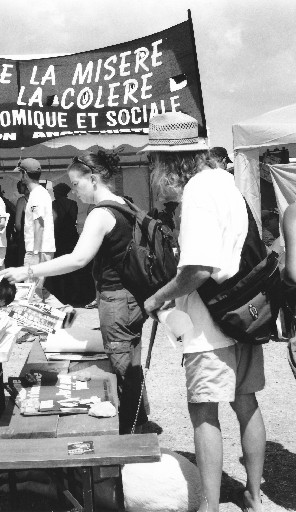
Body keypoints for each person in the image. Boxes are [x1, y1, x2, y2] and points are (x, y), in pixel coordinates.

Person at [142, 112, 265, 512]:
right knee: (246, 403)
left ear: (168, 160)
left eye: (155, 160)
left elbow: (196, 269)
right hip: (243, 309)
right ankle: (254, 495)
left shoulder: (196, 192)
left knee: (204, 412)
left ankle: (209, 506)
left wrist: (158, 297)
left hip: (207, 321)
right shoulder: (226, 182)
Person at [0, 151, 148, 434]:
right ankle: (138, 425)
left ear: (92, 178)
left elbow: (78, 259)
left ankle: (129, 440)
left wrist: (29, 271)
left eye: (77, 184)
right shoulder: (124, 204)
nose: (75, 193)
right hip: (131, 297)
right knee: (132, 366)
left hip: (116, 300)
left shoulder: (100, 213)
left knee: (123, 371)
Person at [16, 158, 55, 300]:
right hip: (43, 248)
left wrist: (35, 253)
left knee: (31, 292)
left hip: (38, 249)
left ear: (24, 174)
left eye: (20, 173)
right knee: (37, 290)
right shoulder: (41, 193)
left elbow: (39, 224)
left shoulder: (36, 195)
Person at [49, 182, 80, 303]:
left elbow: (53, 222)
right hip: (71, 238)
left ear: (59, 192)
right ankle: (75, 295)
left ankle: (60, 295)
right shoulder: (73, 204)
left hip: (58, 239)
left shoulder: (53, 205)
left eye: (55, 191)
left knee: (59, 267)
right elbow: (73, 220)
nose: (54, 193)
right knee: (72, 268)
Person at [14, 180, 30, 266]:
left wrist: (19, 233)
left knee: (24, 261)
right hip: (38, 234)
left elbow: (17, 223)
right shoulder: (39, 198)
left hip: (25, 235)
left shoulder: (22, 201)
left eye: (20, 186)